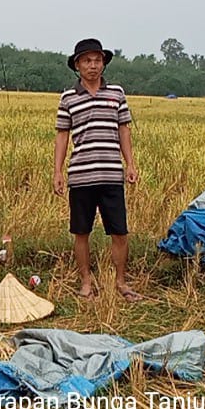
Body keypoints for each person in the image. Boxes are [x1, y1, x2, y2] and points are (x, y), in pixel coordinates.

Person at [53, 38, 141, 301]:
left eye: (97, 60)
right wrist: (57, 172)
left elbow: (124, 130)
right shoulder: (68, 97)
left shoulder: (117, 94)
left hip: (112, 173)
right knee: (81, 232)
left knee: (120, 232)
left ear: (103, 63)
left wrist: (131, 164)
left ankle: (121, 283)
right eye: (87, 61)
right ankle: (86, 282)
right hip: (81, 175)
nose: (93, 66)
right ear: (77, 65)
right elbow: (62, 135)